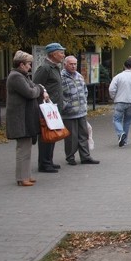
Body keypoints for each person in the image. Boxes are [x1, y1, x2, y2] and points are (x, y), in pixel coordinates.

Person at [6, 51, 48, 186]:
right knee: (23, 149)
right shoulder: (15, 77)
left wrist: (37, 88)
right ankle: (21, 178)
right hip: (20, 119)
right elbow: (31, 92)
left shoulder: (22, 76)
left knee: (27, 148)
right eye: (28, 64)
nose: (30, 67)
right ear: (21, 64)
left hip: (26, 118)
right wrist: (39, 90)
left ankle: (26, 175)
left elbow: (34, 87)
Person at [33, 42, 66, 173]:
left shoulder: (55, 67)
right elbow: (36, 85)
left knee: (52, 134)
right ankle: (44, 163)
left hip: (55, 107)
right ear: (53, 54)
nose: (63, 55)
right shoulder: (45, 68)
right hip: (46, 108)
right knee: (46, 135)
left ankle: (49, 160)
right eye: (61, 52)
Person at [60, 55, 100, 165]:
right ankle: (70, 157)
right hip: (69, 112)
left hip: (81, 111)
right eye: (71, 64)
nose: (73, 66)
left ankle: (85, 156)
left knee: (84, 135)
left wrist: (84, 103)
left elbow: (84, 91)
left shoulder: (79, 76)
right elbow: (59, 95)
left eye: (75, 64)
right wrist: (65, 105)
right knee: (71, 137)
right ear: (65, 65)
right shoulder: (61, 77)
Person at [109, 58, 131, 147]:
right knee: (127, 121)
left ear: (124, 66)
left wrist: (114, 97)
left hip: (120, 101)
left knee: (117, 120)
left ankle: (121, 133)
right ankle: (124, 140)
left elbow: (111, 89)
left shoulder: (118, 77)